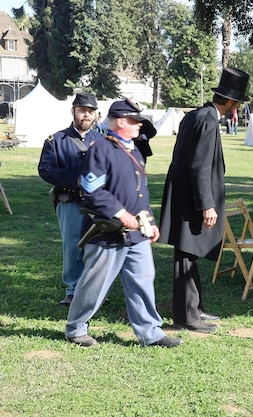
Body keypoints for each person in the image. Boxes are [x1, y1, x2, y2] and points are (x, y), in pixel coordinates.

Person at [65, 98, 182, 348]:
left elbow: (140, 193)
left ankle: (151, 333)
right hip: (107, 232)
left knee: (143, 279)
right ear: (120, 122)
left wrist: (148, 221)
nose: (139, 125)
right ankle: (76, 328)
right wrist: (121, 213)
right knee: (94, 285)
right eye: (135, 120)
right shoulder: (101, 149)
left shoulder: (135, 150)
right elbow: (91, 189)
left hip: (136, 233)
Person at [159, 67, 250, 333]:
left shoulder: (197, 115)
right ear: (232, 102)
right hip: (192, 201)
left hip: (186, 197)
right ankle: (187, 317)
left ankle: (194, 308)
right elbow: (199, 167)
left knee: (190, 254)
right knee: (186, 255)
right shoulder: (208, 120)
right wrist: (207, 205)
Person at [38, 93, 103, 306]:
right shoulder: (56, 140)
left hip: (97, 204)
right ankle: (73, 290)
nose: (87, 115)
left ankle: (95, 291)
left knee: (96, 247)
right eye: (83, 110)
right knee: (73, 247)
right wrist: (75, 181)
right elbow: (46, 169)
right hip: (71, 202)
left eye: (90, 112)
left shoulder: (102, 140)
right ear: (73, 111)